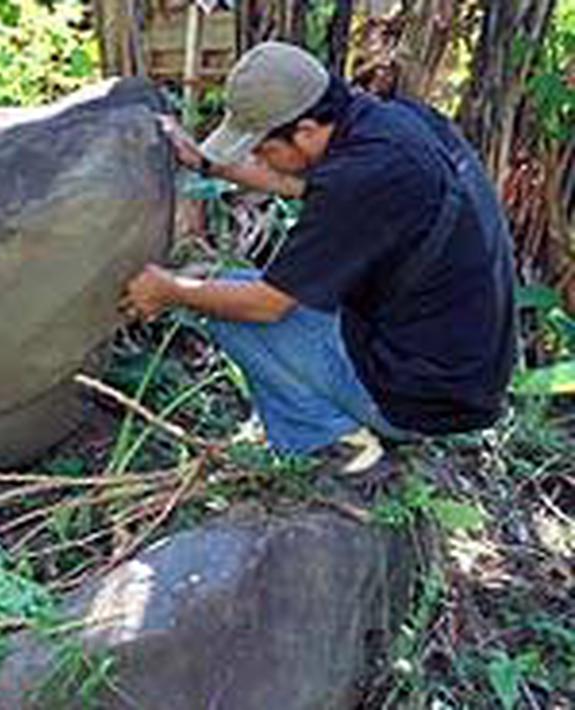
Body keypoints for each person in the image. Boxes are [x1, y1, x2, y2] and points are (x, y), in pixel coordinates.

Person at [119, 42, 516, 476]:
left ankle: (333, 445)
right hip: (462, 379)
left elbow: (266, 305)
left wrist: (170, 290)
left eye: (261, 148)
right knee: (227, 289)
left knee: (225, 302)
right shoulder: (395, 125)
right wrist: (209, 164)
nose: (256, 159)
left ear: (306, 130)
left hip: (420, 401)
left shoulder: (359, 179)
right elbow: (306, 187)